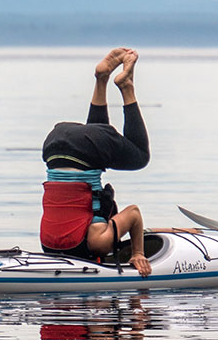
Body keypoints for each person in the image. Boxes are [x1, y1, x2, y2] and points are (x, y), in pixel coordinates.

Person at [40, 48, 153, 277]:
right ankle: (125, 86)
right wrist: (137, 253)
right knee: (135, 155)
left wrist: (137, 250)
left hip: (69, 142)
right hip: (54, 149)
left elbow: (132, 216)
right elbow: (131, 214)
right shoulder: (63, 244)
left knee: (119, 151)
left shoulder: (97, 240)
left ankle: (104, 80)